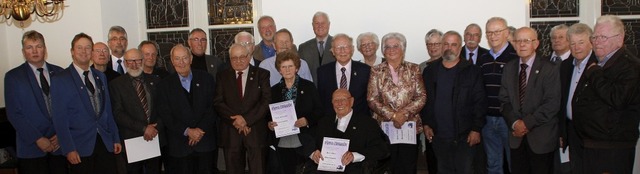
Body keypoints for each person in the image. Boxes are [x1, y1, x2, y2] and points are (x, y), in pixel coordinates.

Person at [573, 15, 640, 173]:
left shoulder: (630, 66)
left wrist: (595, 74)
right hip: (591, 144)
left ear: (620, 38)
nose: (596, 41)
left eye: (602, 37)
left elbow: (617, 98)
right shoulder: (598, 63)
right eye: (594, 37)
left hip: (612, 149)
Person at [51, 33, 122, 173]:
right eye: (79, 48)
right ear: (72, 51)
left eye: (88, 47)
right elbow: (60, 119)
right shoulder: (60, 79)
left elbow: (107, 110)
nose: (84, 51)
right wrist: (69, 148)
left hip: (104, 142)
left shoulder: (100, 76)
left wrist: (115, 138)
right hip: (79, 146)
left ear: (92, 51)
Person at [422, 30, 486, 173]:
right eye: (446, 44)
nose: (449, 48)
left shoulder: (472, 71)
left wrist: (476, 129)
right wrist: (426, 123)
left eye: (453, 44)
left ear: (460, 47)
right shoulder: (430, 71)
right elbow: (425, 101)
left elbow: (480, 102)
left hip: (464, 136)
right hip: (439, 136)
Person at [4, 30, 68, 174]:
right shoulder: (13, 77)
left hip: (59, 146)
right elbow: (14, 114)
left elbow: (69, 108)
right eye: (29, 47)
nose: (34, 51)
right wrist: (38, 139)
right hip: (31, 148)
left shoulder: (60, 73)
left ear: (44, 49)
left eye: (38, 46)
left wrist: (60, 134)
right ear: (23, 51)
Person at [499, 27, 560, 174]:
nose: (522, 45)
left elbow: (552, 103)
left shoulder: (549, 68)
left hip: (541, 138)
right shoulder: (509, 68)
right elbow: (504, 100)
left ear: (536, 44)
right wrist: (515, 123)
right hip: (516, 139)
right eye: (518, 41)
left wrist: (526, 124)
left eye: (526, 41)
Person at [367, 32, 426, 174]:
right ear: (383, 50)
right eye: (387, 47)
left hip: (409, 127)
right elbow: (371, 99)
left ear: (403, 49)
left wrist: (404, 114)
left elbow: (421, 96)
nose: (391, 50)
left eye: (395, 46)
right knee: (387, 166)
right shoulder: (376, 70)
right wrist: (393, 116)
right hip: (384, 128)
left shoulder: (414, 69)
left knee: (407, 166)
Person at [155, 44, 217, 174]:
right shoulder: (164, 85)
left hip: (204, 142)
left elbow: (213, 107)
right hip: (180, 145)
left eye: (184, 58)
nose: (181, 62)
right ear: (172, 61)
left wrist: (200, 130)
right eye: (177, 59)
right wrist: (188, 131)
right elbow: (166, 114)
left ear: (191, 59)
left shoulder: (206, 78)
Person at [214, 44, 271, 174]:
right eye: (234, 58)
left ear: (249, 56)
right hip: (231, 132)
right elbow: (218, 102)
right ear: (229, 59)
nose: (238, 61)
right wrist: (236, 120)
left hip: (255, 131)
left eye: (242, 57)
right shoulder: (222, 76)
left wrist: (246, 120)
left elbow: (266, 101)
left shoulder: (261, 74)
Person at [266, 50, 323, 174]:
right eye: (283, 67)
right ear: (279, 70)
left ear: (296, 68)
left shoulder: (309, 87)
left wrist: (307, 120)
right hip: (281, 140)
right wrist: (270, 124)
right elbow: (267, 115)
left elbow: (319, 111)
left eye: (290, 66)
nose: (287, 70)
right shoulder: (273, 90)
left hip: (304, 139)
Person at [308, 89, 389, 173]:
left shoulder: (368, 123)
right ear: (332, 103)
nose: (339, 103)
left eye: (343, 99)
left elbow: (381, 149)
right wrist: (313, 154)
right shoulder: (324, 122)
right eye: (336, 100)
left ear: (352, 101)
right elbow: (313, 144)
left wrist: (354, 156)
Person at [109, 48, 161, 174]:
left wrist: (155, 128)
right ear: (125, 63)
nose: (134, 64)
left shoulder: (155, 80)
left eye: (137, 60)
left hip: (154, 138)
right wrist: (144, 128)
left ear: (143, 61)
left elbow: (163, 108)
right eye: (130, 61)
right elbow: (117, 113)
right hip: (131, 141)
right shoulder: (116, 84)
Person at [478, 17, 518, 174]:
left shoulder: (515, 57)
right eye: (489, 32)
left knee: (514, 162)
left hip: (509, 119)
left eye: (497, 32)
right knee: (493, 164)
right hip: (488, 119)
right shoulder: (483, 59)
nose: (492, 36)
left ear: (507, 33)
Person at [558, 23, 597, 174]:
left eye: (581, 42)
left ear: (591, 42)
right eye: (573, 43)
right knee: (575, 169)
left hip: (592, 132)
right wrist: (562, 132)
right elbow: (561, 101)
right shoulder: (566, 66)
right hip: (571, 130)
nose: (576, 47)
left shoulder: (598, 65)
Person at [317, 33, 371, 118]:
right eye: (338, 48)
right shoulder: (322, 72)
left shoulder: (365, 70)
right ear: (332, 51)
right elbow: (322, 100)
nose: (342, 51)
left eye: (346, 47)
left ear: (352, 49)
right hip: (332, 123)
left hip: (360, 122)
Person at [299, 11, 336, 83]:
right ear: (312, 25)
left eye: (323, 23)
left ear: (329, 24)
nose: (320, 26)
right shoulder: (303, 48)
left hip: (333, 92)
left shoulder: (337, 45)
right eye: (317, 23)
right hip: (310, 91)